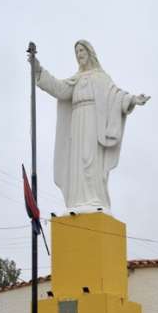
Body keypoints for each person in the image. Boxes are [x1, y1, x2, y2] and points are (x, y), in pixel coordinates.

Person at [32, 40, 149, 214]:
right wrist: (39, 71)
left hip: (93, 123)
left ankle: (95, 198)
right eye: (77, 52)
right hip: (77, 121)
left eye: (81, 51)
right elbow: (60, 89)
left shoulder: (101, 77)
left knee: (90, 158)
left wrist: (132, 100)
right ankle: (78, 202)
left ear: (89, 52)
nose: (79, 55)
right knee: (78, 160)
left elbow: (115, 95)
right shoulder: (76, 79)